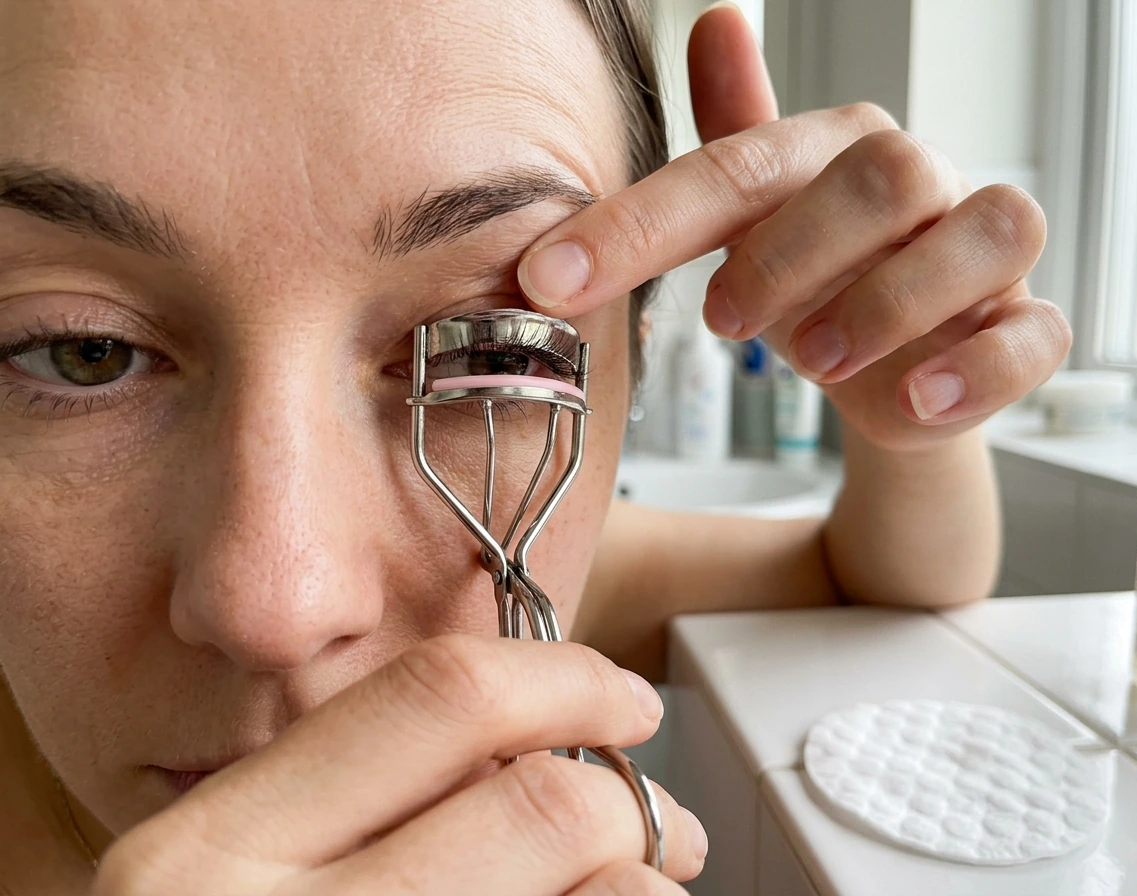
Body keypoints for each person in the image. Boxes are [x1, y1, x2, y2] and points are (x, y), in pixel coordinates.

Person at [0, 0, 1070, 892]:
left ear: (631, 371)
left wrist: (901, 382)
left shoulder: (555, 571)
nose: (279, 604)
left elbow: (885, 576)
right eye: (82, 351)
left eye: (486, 355)